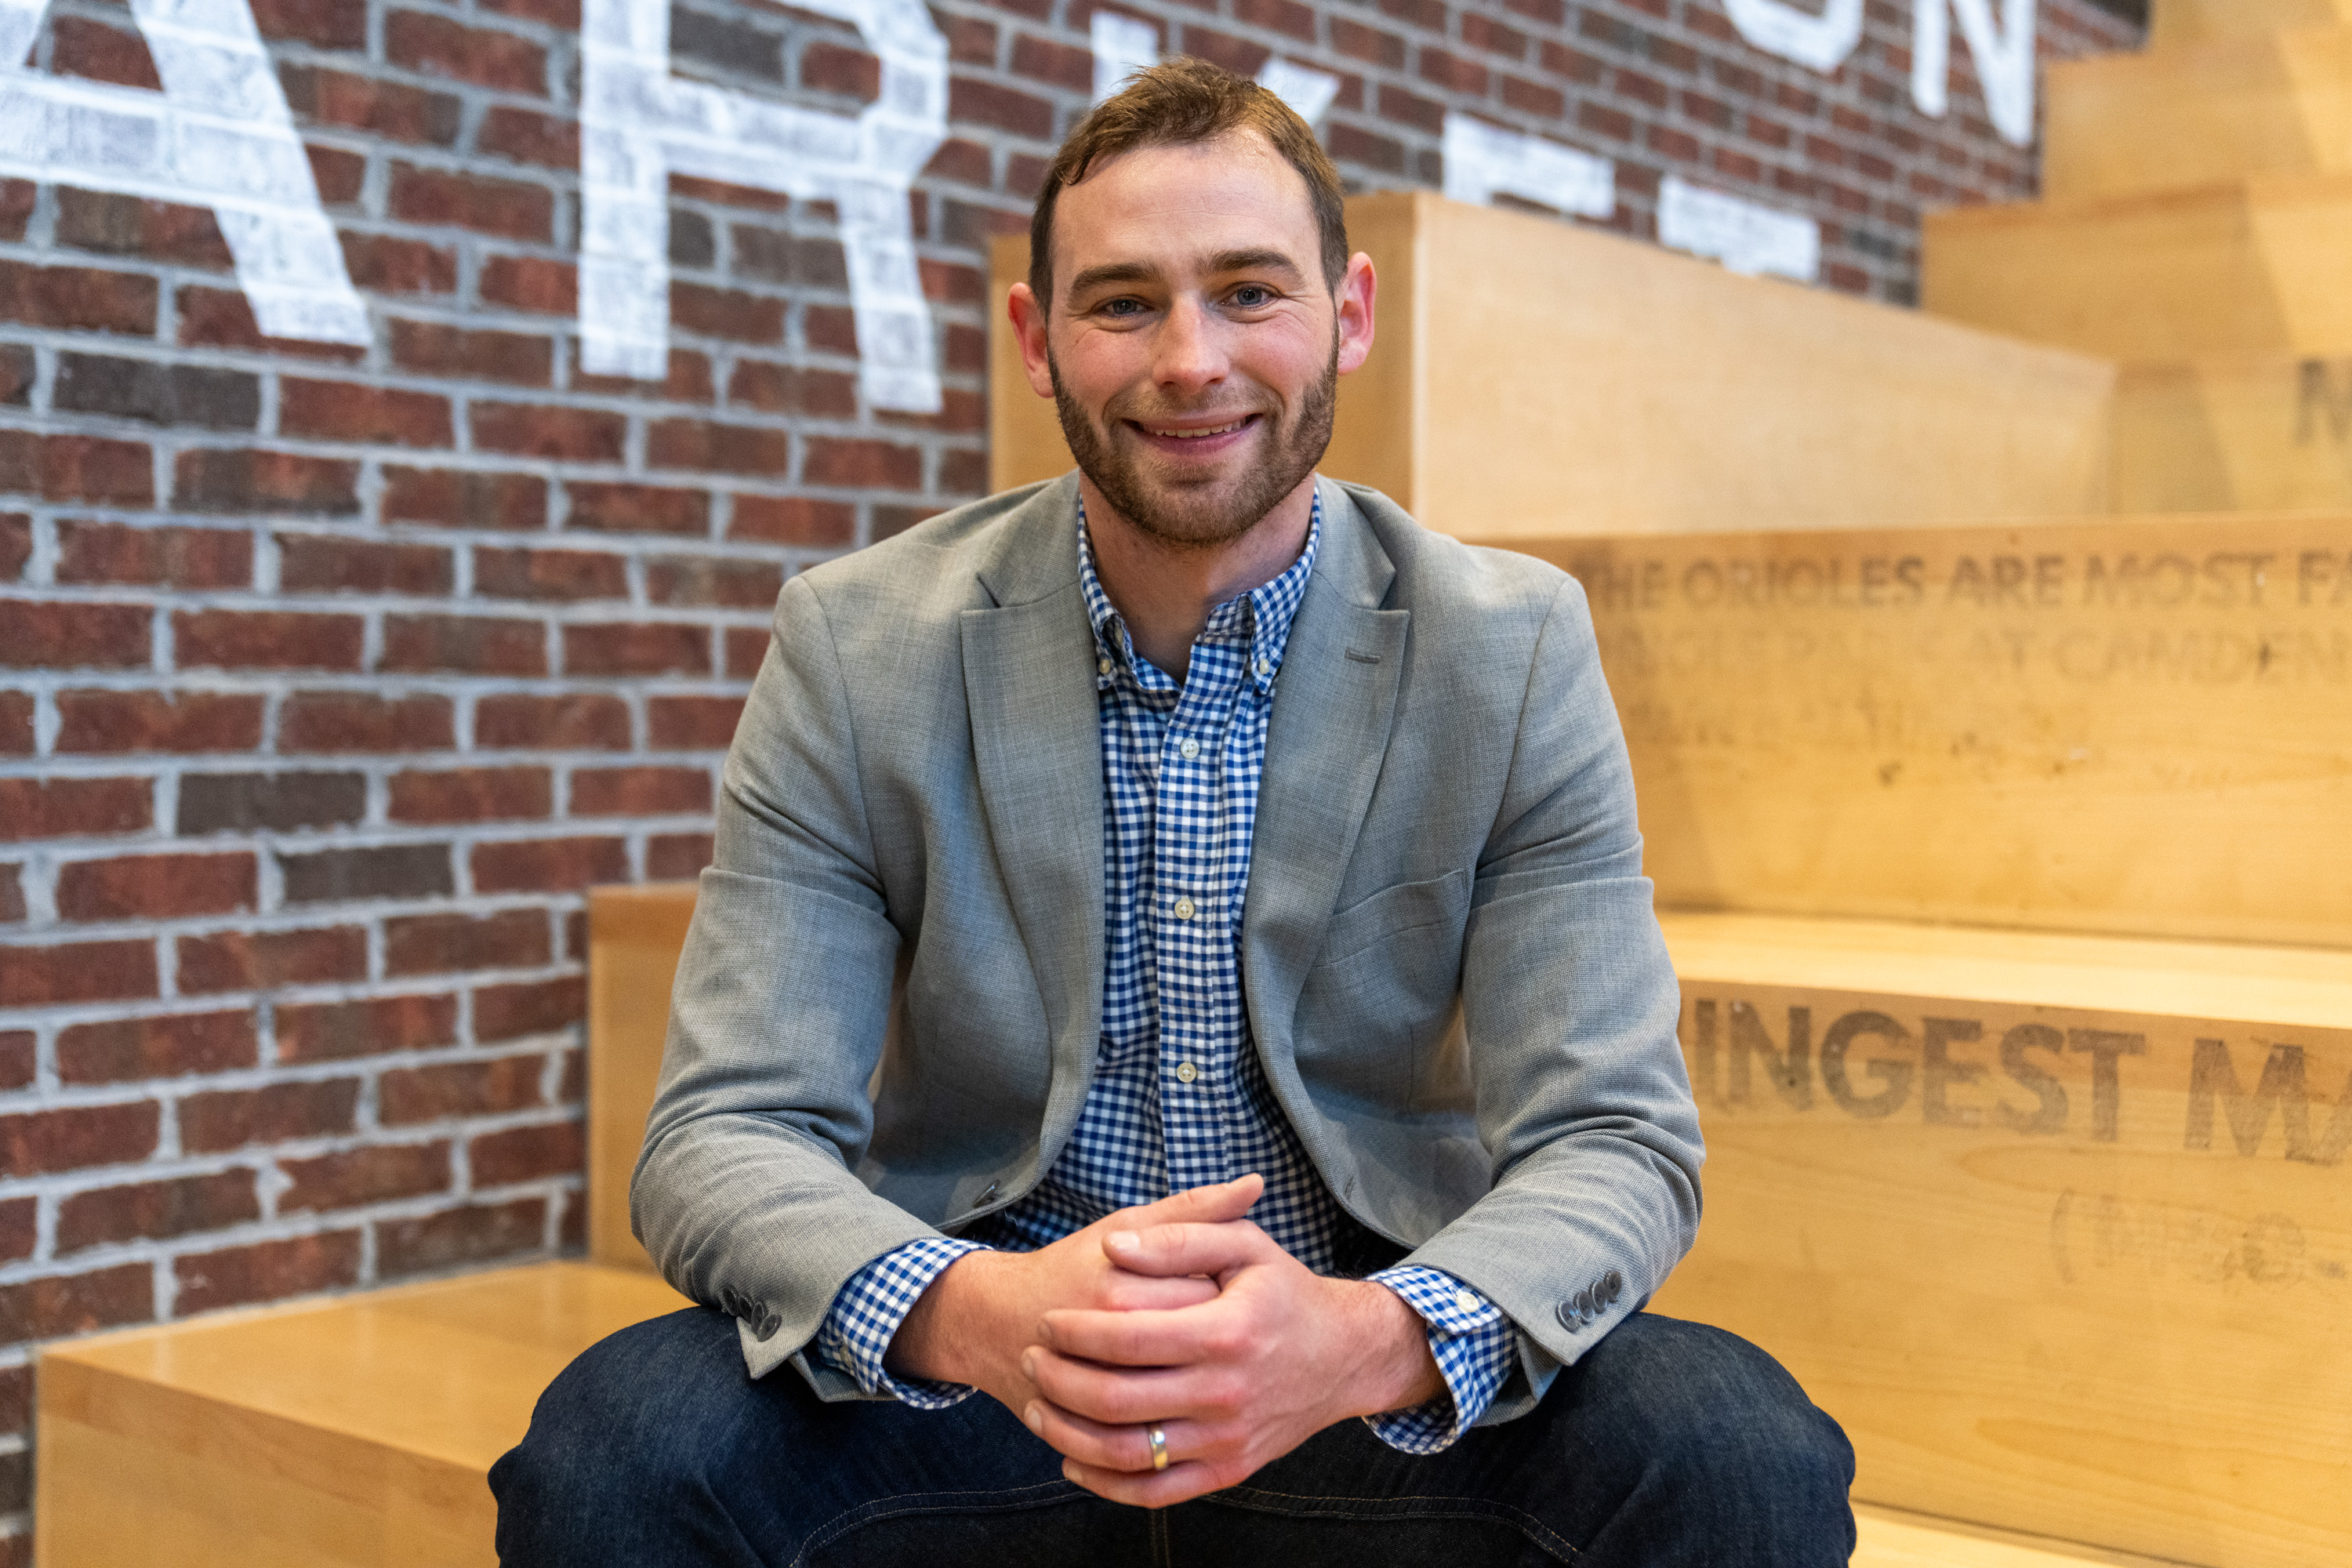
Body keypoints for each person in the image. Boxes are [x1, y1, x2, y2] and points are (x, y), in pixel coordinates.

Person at [492, 57, 1854, 1566]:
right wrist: (982, 1316)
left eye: (1250, 292)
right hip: (982, 1392)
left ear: (1350, 313)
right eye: (1125, 301)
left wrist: (1363, 1339)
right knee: (616, 1451)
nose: (1190, 361)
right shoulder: (857, 643)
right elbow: (721, 1137)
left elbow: (1615, 1140)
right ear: (1036, 338)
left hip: (1360, 1386)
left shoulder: (1511, 648)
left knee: (1738, 1455)